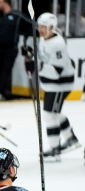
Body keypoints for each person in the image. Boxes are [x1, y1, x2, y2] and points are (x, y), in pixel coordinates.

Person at [32, 13, 79, 160]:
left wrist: (37, 66)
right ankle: (69, 139)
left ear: (51, 27)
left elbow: (56, 71)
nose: (40, 29)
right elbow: (42, 58)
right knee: (52, 114)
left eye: (43, 27)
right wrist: (30, 57)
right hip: (52, 84)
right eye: (39, 26)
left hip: (60, 84)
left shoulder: (57, 44)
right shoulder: (44, 38)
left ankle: (56, 147)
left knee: (49, 114)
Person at [0, 0, 27, 101]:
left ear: (6, 3)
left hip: (10, 49)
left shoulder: (17, 16)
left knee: (5, 71)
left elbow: (30, 25)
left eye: (0, 2)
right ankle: (1, 93)